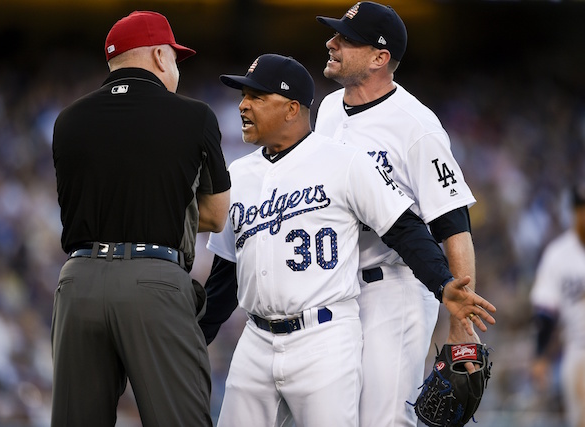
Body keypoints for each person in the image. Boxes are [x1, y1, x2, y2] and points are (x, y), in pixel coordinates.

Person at [199, 53, 495, 427]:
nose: (243, 105)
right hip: (256, 338)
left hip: (325, 333)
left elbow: (404, 228)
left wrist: (443, 283)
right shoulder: (238, 174)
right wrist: (195, 340)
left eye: (257, 97)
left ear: (292, 109)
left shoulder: (347, 162)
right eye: (244, 95)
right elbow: (226, 273)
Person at [51, 11, 231, 427]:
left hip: (78, 282)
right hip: (153, 281)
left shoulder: (67, 120)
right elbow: (217, 215)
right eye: (174, 58)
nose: (176, 69)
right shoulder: (195, 116)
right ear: (157, 56)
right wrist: (165, 210)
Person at [313, 2, 486, 426]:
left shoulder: (417, 127)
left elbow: (453, 225)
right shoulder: (329, 109)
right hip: (337, 289)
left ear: (379, 58)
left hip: (397, 289)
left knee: (385, 419)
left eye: (345, 39)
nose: (331, 43)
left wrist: (459, 322)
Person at [530, 184, 585, 427]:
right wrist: (541, 356)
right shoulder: (558, 255)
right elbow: (546, 312)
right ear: (574, 212)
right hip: (580, 348)